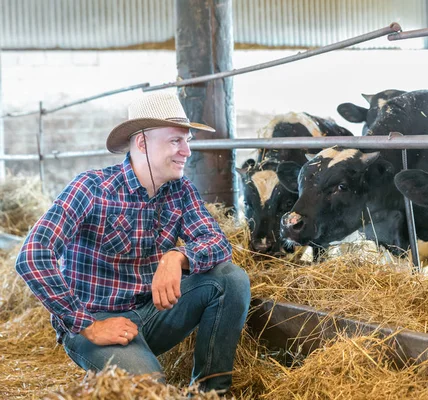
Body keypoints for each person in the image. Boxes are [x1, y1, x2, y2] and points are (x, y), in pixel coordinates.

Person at [14, 92, 251, 393]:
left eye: (187, 140)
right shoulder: (92, 188)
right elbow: (32, 256)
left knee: (230, 279)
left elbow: (218, 243)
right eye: (176, 141)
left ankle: (210, 393)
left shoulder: (180, 190)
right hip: (96, 322)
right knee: (151, 390)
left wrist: (178, 256)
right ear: (142, 143)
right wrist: (88, 326)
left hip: (151, 314)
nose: (187, 151)